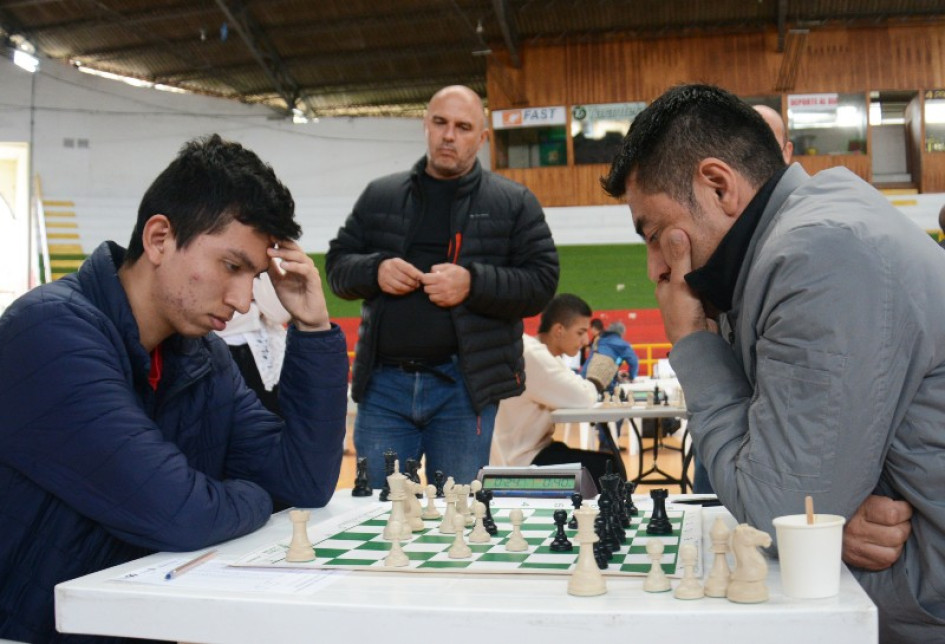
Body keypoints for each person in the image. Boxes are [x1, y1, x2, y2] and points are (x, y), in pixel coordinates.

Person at [602, 83, 939, 642]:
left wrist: (689, 338)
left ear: (718, 185)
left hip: (920, 593)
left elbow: (777, 506)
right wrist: (820, 517)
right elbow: (801, 502)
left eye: (657, 233)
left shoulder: (819, 254)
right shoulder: (796, 237)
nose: (656, 267)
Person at [0, 134, 348, 643]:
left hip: (127, 626)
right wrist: (255, 496)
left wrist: (315, 329)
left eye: (255, 276)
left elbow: (303, 483)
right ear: (159, 238)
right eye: (232, 266)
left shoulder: (202, 358)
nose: (246, 300)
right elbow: (179, 514)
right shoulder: (49, 332)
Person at [325, 85, 559, 489]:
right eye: (440, 123)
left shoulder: (514, 202)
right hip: (383, 387)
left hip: (465, 391)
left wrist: (473, 282)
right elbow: (337, 268)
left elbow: (541, 283)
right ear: (426, 126)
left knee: (459, 522)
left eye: (463, 127)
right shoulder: (380, 195)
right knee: (378, 517)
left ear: (482, 138)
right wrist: (375, 270)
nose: (449, 135)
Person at [491, 294, 620, 483]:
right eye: (580, 332)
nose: (585, 340)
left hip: (528, 451)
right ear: (559, 329)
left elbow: (574, 388)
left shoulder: (542, 354)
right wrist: (596, 381)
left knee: (605, 462)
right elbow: (582, 398)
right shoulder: (533, 356)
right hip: (520, 461)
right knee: (610, 469)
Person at [215, 272, 291, 414]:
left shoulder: (268, 260)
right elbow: (211, 320)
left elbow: (281, 314)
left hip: (270, 361)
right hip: (220, 357)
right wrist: (257, 311)